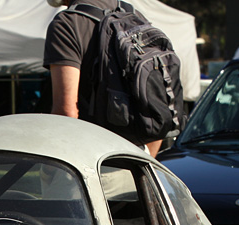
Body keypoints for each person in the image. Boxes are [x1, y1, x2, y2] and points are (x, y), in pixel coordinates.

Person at [42, 0, 164, 157]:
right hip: (135, 163)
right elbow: (159, 106)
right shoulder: (136, 17)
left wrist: (50, 170)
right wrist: (145, 161)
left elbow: (66, 113)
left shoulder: (67, 23)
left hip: (87, 163)